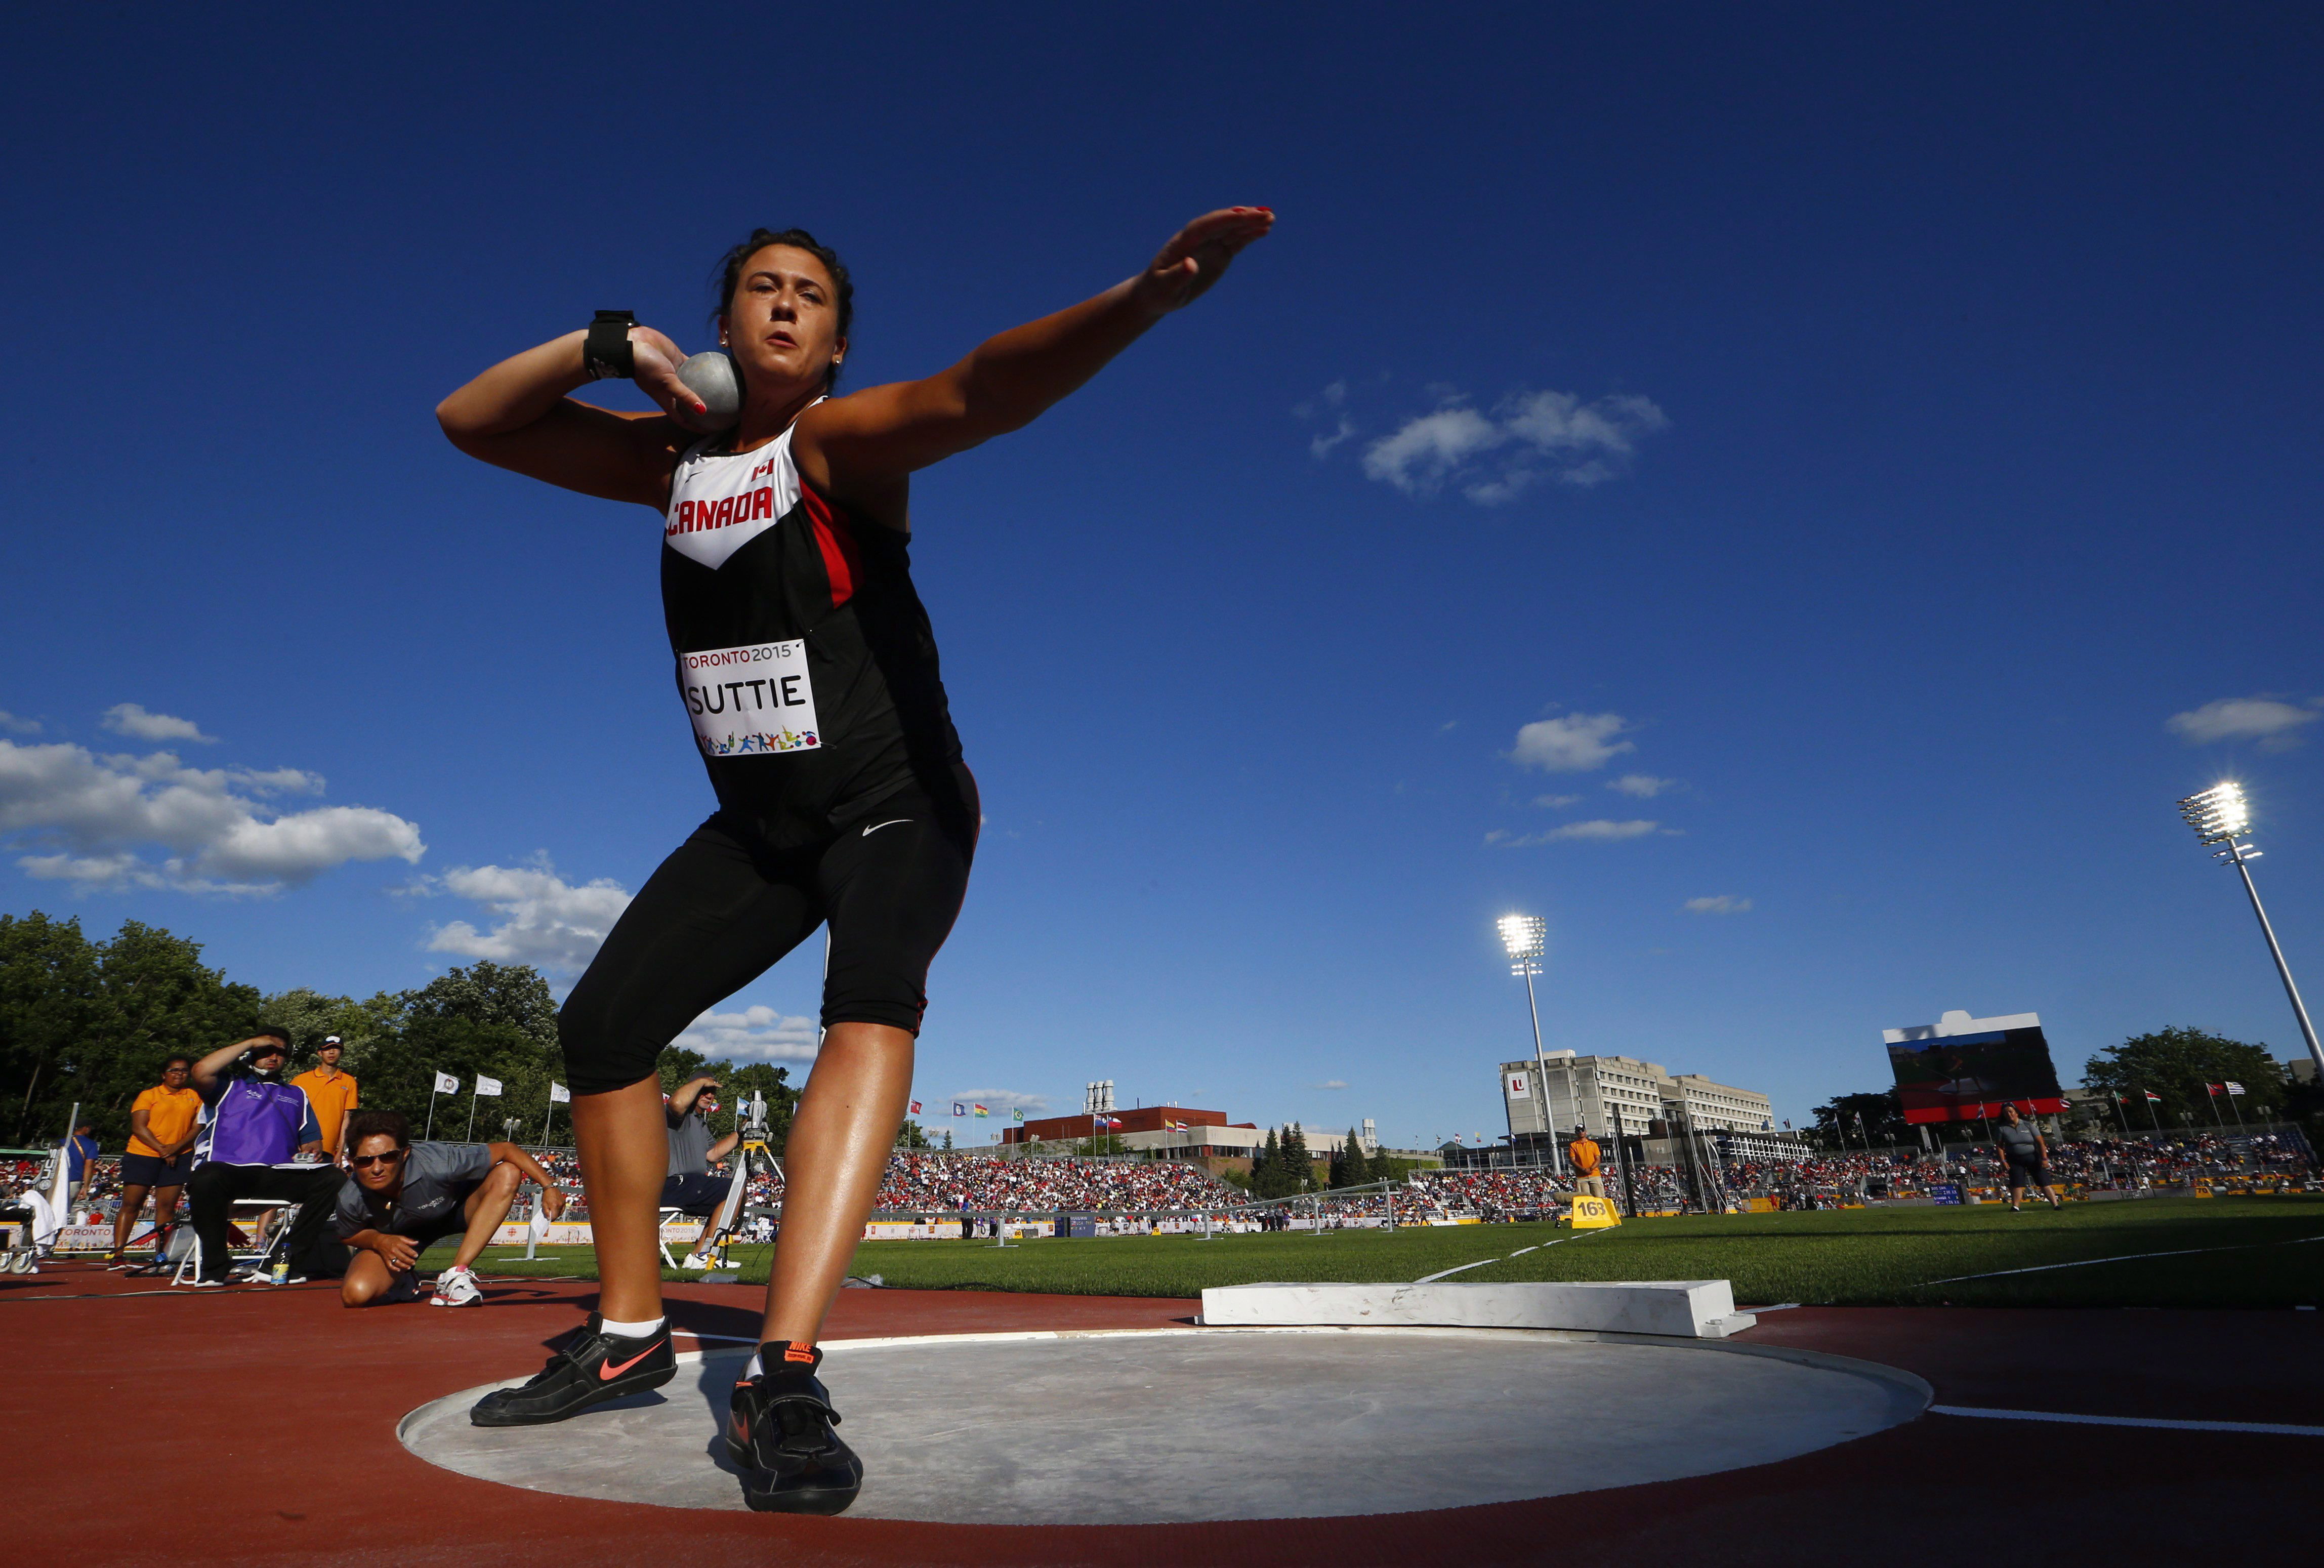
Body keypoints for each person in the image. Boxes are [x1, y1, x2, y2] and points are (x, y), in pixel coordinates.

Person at [436, 205, 1272, 1512]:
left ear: (832, 349)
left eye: (809, 297)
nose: (781, 306)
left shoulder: (834, 445)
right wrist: (606, 342)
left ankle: (785, 1367)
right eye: (759, 289)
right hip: (765, 823)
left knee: (867, 998)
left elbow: (983, 390)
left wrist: (1141, 300)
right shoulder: (668, 465)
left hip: (899, 802)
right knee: (604, 1028)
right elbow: (471, 422)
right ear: (717, 328)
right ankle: (633, 1331)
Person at [333, 1108, 566, 1307]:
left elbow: (506, 1149)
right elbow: (348, 1235)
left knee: (508, 1172)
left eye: (388, 1157)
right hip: (402, 1239)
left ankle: (455, 1276)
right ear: (351, 1162)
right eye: (365, 1161)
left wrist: (549, 1185)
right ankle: (403, 1278)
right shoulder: (351, 1197)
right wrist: (379, 1242)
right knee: (356, 1295)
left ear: (405, 1154)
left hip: (456, 1210)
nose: (376, 1168)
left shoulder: (439, 1161)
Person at [184, 1029, 346, 1285]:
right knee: (205, 1178)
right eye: (266, 1050)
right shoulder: (227, 1084)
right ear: (251, 1053)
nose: (273, 1057)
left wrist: (311, 1150)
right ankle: (215, 1267)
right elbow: (200, 1071)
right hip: (230, 1172)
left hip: (279, 1174)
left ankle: (283, 1259)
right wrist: (250, 1042)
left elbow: (313, 1140)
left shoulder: (298, 1094)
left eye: (280, 1053)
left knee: (334, 1177)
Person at [107, 1056, 201, 1268]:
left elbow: (198, 1127)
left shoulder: (195, 1097)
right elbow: (139, 1127)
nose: (179, 1074)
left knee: (167, 1207)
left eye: (184, 1071)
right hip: (143, 1153)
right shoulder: (149, 1095)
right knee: (132, 1204)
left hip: (180, 1154)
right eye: (174, 1070)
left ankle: (160, 1254)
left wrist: (175, 1149)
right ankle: (118, 1254)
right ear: (164, 1074)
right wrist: (163, 1150)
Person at [663, 1075, 741, 1215]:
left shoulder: (700, 1122)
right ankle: (714, 1237)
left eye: (713, 1092)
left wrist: (741, 1133)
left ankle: (709, 1238)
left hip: (690, 1186)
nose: (709, 1096)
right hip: (674, 1184)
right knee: (733, 1188)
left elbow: (713, 1154)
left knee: (733, 1194)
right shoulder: (681, 1116)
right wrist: (702, 1081)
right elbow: (676, 1103)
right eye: (704, 1091)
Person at [289, 1035, 360, 1162]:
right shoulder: (300, 1080)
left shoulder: (349, 1082)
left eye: (336, 1049)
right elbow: (291, 1114)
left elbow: (346, 1119)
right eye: (328, 1049)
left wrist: (340, 1152)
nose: (332, 1052)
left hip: (330, 1152)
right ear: (320, 1053)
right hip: (302, 1148)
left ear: (342, 1053)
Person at [1995, 1103, 2062, 1212]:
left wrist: (2044, 1159)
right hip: (2014, 1159)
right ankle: (2015, 1206)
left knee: (2044, 1181)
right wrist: (2003, 1161)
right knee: (2016, 1183)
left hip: (2032, 1157)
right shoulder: (2002, 1128)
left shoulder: (2028, 1125)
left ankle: (2056, 1205)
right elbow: (1999, 1146)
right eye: (2006, 1113)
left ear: (2016, 1113)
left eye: (2011, 1111)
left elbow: (2040, 1143)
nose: (2009, 1114)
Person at [1568, 1126, 1605, 1200]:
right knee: (1585, 1199)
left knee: (1599, 1197)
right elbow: (1573, 1160)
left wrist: (1591, 1168)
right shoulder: (1573, 1146)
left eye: (1582, 1130)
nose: (1581, 1132)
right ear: (1576, 1133)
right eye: (1579, 1131)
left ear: (1586, 1131)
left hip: (1594, 1174)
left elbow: (1598, 1159)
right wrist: (1583, 1169)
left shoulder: (1593, 1144)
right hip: (1582, 1176)